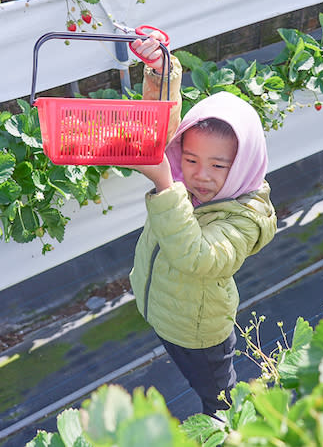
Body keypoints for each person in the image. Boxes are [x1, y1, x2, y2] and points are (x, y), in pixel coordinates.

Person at [127, 34, 278, 416]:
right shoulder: (185, 183)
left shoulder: (244, 217)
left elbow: (201, 258)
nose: (200, 176)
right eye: (190, 159)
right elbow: (157, 130)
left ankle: (232, 428)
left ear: (243, 164)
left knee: (217, 392)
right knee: (190, 371)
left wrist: (165, 185)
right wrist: (162, 71)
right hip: (164, 311)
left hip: (199, 332)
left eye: (218, 165)